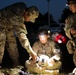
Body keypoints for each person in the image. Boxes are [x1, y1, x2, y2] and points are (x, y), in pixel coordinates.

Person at [0, 2, 39, 67]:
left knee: (12, 42)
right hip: (1, 23)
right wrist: (31, 51)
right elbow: (22, 37)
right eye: (29, 19)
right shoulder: (18, 17)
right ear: (26, 13)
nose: (29, 21)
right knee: (1, 41)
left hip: (8, 26)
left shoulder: (22, 8)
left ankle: (16, 62)